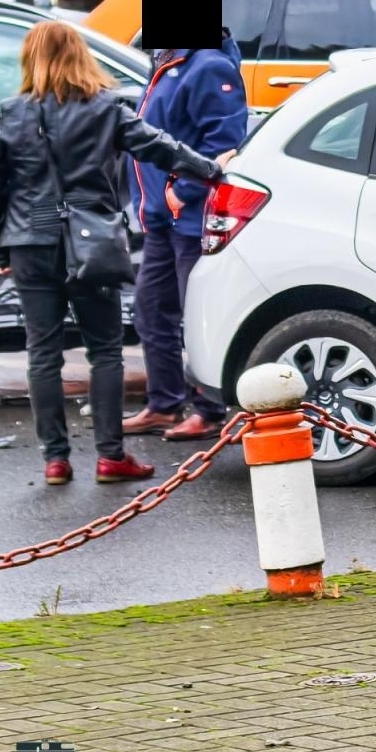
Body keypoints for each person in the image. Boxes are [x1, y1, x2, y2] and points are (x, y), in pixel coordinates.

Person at [0, 21, 227, 485]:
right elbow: (159, 147)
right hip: (91, 243)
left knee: (42, 352)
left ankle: (55, 460)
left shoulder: (11, 113)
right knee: (104, 350)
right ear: (81, 55)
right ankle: (110, 456)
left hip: (30, 242)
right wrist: (211, 169)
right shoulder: (105, 108)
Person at [124, 29, 247, 442]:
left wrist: (182, 192)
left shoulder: (208, 65)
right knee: (151, 312)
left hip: (190, 219)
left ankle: (209, 411)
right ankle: (164, 405)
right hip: (163, 220)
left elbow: (225, 146)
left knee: (196, 317)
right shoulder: (169, 61)